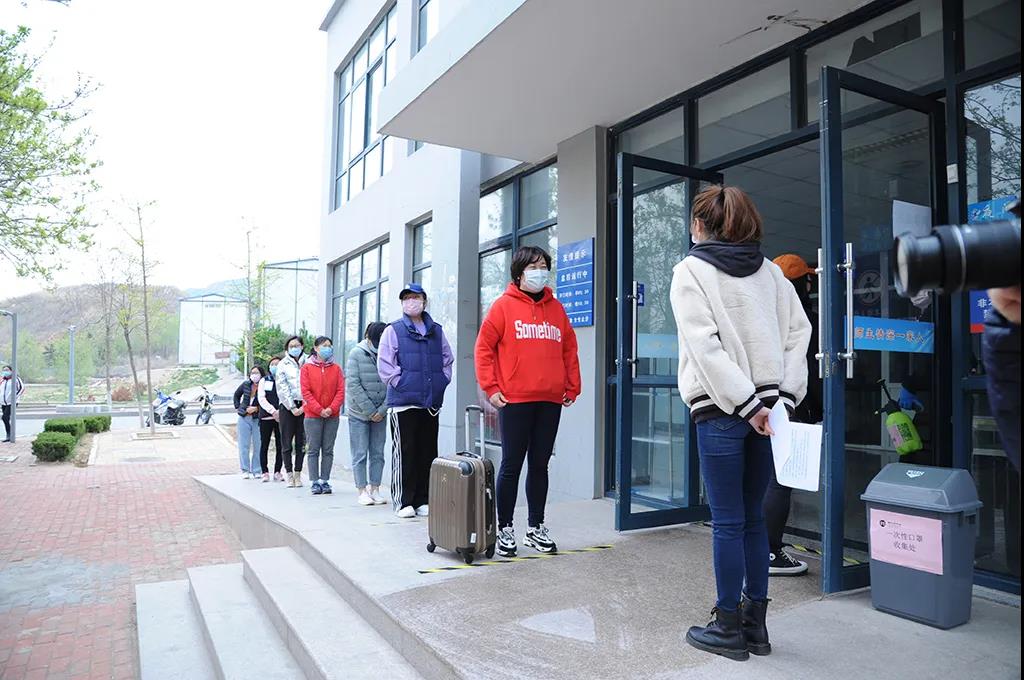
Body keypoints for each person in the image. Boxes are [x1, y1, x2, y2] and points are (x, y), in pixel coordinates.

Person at [670, 185, 811, 661]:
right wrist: (782, 400)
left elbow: (704, 348)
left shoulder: (691, 271)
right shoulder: (773, 274)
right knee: (752, 518)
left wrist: (747, 405)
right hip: (771, 414)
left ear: (700, 225)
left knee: (728, 522)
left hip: (722, 411)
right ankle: (757, 625)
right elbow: (799, 336)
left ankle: (727, 625)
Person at [474, 246, 581, 557]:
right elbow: (483, 349)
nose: (540, 271)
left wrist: (572, 385)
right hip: (515, 399)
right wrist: (491, 387)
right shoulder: (502, 307)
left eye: (544, 266)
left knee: (539, 465)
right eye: (533, 266)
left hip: (550, 399)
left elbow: (569, 349)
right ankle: (505, 529)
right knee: (511, 465)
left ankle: (535, 527)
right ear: (519, 273)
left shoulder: (556, 309)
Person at [761, 253, 821, 577]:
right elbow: (811, 370)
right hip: (792, 407)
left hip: (760, 406)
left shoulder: (764, 315)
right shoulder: (805, 319)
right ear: (805, 283)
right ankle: (770, 552)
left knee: (765, 479)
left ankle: (760, 548)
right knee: (780, 481)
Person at [377, 282, 454, 519]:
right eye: (407, 298)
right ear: (402, 302)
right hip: (403, 403)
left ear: (424, 301)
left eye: (416, 297)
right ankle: (403, 501)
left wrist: (442, 381)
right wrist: (402, 382)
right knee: (405, 452)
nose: (412, 301)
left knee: (427, 451)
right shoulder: (394, 330)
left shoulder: (436, 331)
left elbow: (447, 359)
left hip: (430, 402)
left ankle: (423, 498)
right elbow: (385, 364)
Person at [346, 322, 389, 506]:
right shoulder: (356, 353)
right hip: (359, 413)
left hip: (381, 413)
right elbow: (353, 385)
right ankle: (362, 490)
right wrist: (371, 411)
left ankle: (375, 488)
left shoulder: (389, 353)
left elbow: (393, 382)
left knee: (378, 453)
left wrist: (382, 410)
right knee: (360, 453)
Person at [300, 336, 345, 496]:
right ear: (316, 348)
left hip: (332, 416)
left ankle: (325, 480)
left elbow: (340, 391)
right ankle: (314, 481)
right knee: (313, 449)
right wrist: (319, 409)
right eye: (324, 345)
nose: (328, 348)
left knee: (328, 449)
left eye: (330, 345)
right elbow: (306, 392)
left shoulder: (336, 369)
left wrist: (331, 408)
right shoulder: (306, 368)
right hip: (313, 415)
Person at [276, 335, 307, 487]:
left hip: (305, 405)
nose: (294, 348)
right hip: (287, 407)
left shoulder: (308, 361)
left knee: (302, 442)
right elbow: (282, 387)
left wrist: (305, 405)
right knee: (286, 442)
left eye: (297, 345)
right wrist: (292, 407)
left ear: (302, 346)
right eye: (291, 346)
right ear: (287, 348)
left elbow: (311, 384)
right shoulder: (283, 364)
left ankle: (298, 473)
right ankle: (289, 474)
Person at [233, 366, 264, 479]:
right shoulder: (246, 384)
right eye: (252, 373)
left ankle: (257, 469)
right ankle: (245, 469)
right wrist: (238, 407)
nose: (254, 375)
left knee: (258, 445)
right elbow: (236, 395)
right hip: (244, 417)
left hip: (257, 418)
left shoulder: (265, 385)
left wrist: (256, 408)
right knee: (243, 445)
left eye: (257, 373)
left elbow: (269, 400)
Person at [257, 356, 285, 482]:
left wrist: (280, 411)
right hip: (266, 417)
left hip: (282, 417)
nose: (275, 366)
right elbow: (261, 398)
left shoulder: (284, 379)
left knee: (281, 445)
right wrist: (273, 411)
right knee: (264, 444)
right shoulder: (264, 380)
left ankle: (278, 471)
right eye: (272, 364)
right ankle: (264, 471)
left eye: (277, 364)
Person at [1, 365, 25, 443]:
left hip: (12, 402)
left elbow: (22, 388)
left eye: (7, 370)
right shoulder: (2, 380)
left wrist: (14, 397)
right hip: (3, 402)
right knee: (6, 418)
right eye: (4, 370)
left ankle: (9, 434)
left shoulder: (16, 379)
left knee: (4, 417)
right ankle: (9, 434)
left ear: (11, 371)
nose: (5, 371)